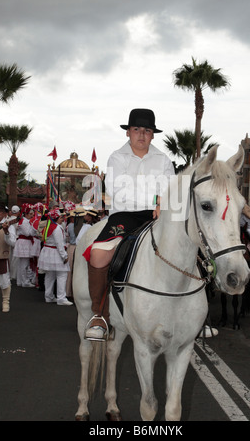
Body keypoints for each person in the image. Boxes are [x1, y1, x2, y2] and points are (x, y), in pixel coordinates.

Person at [84, 108, 175, 340]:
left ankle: (195, 313)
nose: (142, 135)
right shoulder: (117, 157)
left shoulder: (163, 160)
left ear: (153, 134)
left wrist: (161, 203)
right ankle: (99, 315)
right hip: (124, 216)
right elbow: (119, 192)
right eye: (136, 130)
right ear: (128, 133)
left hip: (157, 215)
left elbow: (169, 189)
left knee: (188, 248)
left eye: (147, 130)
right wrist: (156, 199)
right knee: (98, 255)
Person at [37, 208, 72, 305]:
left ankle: (48, 296)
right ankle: (61, 298)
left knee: (50, 275)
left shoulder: (49, 226)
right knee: (62, 274)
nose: (63, 218)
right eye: (61, 217)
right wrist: (64, 256)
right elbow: (59, 244)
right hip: (55, 253)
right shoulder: (57, 228)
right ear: (56, 218)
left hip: (47, 252)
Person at [13, 203, 38, 287]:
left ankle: (20, 281)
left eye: (32, 214)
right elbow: (28, 233)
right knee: (24, 264)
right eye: (30, 214)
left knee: (22, 264)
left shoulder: (24, 221)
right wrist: (34, 228)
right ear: (25, 214)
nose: (32, 216)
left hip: (25, 242)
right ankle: (25, 281)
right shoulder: (24, 221)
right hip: (24, 242)